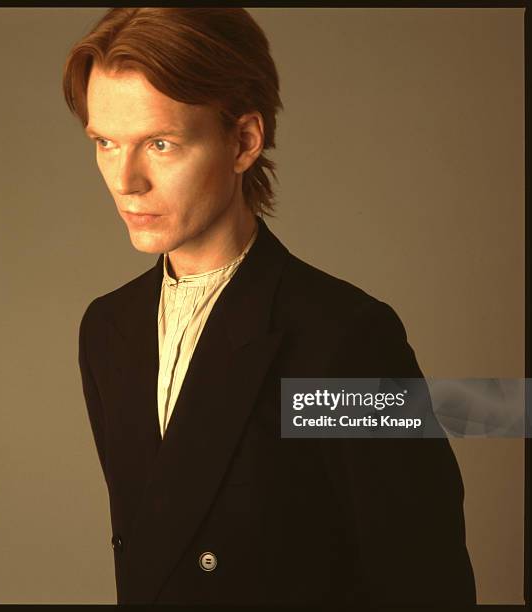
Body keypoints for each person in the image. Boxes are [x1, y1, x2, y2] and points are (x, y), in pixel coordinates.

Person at [63, 7, 476, 606]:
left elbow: (424, 580)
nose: (125, 180)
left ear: (244, 141)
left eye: (160, 143)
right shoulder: (107, 329)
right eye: (105, 142)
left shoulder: (343, 339)